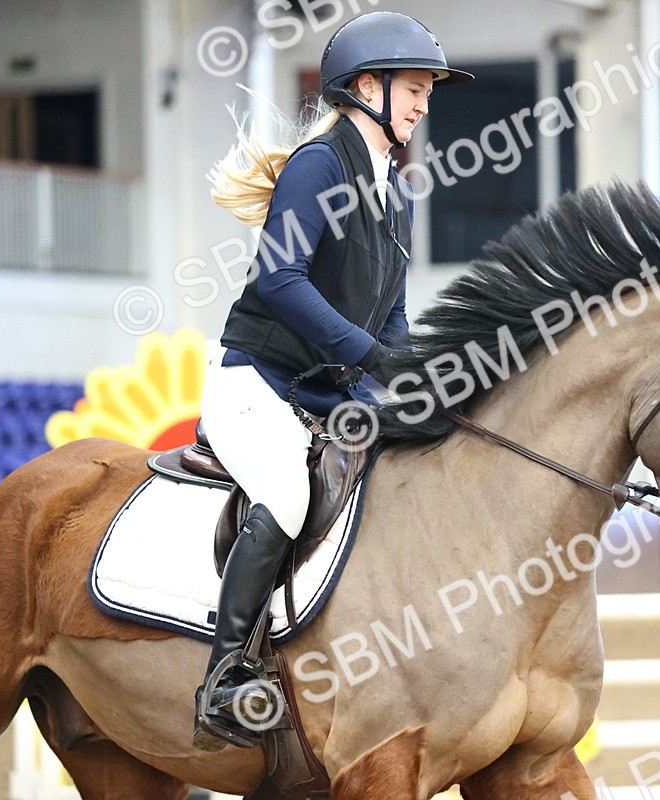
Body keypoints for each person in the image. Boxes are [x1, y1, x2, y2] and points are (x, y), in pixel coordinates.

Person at [192, 11, 473, 750]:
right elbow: (278, 279)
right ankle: (224, 677)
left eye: (427, 93)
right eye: (415, 90)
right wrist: (370, 357)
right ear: (367, 88)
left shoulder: (395, 190)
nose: (423, 106)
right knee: (287, 493)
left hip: (327, 395)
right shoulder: (318, 166)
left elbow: (393, 313)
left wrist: (414, 381)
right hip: (257, 382)